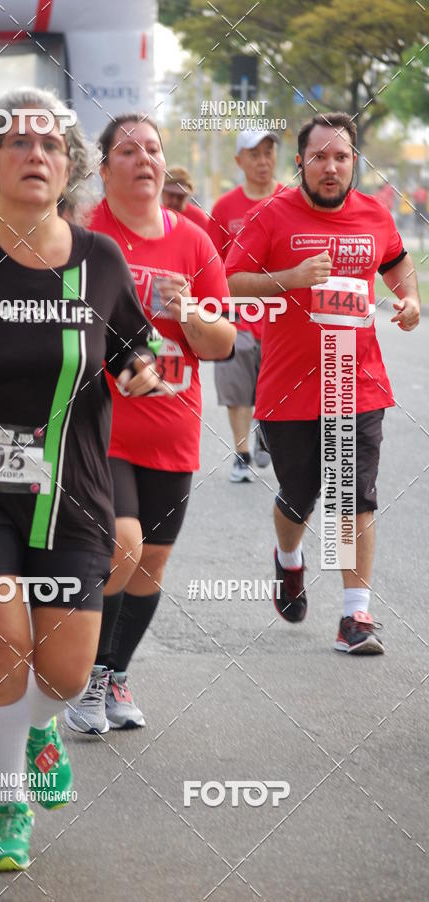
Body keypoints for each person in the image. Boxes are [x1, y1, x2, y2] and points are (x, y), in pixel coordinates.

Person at [0, 88, 161, 870]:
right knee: (3, 657)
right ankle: (8, 809)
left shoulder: (99, 260)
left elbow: (133, 348)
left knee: (65, 672)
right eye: (19, 144)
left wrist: (145, 373)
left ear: (70, 167)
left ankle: (46, 726)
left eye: (51, 146)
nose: (35, 156)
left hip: (74, 490)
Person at [66, 113, 236, 734]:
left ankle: (112, 674)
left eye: (155, 150)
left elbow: (222, 344)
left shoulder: (193, 241)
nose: (145, 160)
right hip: (99, 425)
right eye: (129, 150)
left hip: (172, 428)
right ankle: (81, 678)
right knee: (122, 543)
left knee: (152, 561)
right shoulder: (82, 236)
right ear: (103, 166)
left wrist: (188, 313)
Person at [225, 112, 420, 654]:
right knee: (301, 495)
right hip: (288, 388)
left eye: (340, 157)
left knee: (352, 495)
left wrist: (410, 301)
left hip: (357, 381)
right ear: (301, 163)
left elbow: (399, 264)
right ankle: (289, 560)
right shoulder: (272, 215)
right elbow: (232, 281)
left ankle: (354, 616)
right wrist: (288, 279)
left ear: (354, 161)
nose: (330, 168)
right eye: (319, 157)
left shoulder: (374, 215)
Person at [208, 130, 282, 482]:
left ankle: (266, 433)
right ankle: (241, 453)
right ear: (239, 161)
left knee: (275, 385)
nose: (263, 160)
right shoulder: (225, 208)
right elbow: (210, 261)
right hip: (236, 315)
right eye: (254, 154)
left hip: (282, 316)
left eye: (269, 152)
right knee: (237, 387)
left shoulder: (289, 200)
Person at [161, 165, 209, 230]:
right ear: (162, 193)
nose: (175, 201)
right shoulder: (152, 217)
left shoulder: (199, 219)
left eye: (180, 196)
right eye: (171, 195)